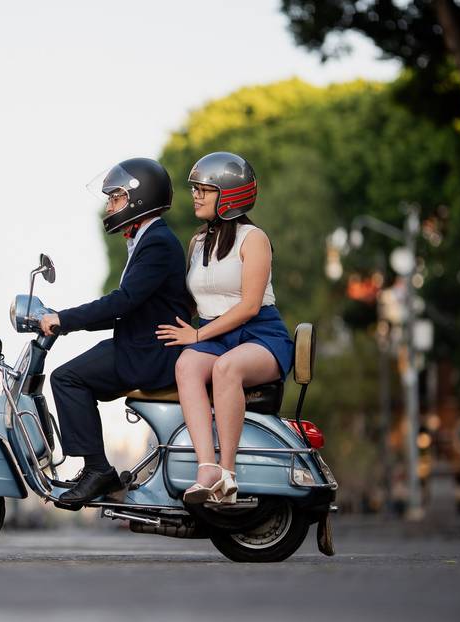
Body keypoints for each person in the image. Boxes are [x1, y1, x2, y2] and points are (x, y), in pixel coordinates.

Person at [39, 157, 191, 505]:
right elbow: (128, 307)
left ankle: (98, 471)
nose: (109, 206)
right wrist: (67, 322)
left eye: (115, 198)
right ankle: (95, 469)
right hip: (140, 343)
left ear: (139, 198)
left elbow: (122, 301)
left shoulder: (156, 243)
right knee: (71, 375)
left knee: (67, 378)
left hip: (152, 353)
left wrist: (65, 319)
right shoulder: (146, 239)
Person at [156, 152, 293, 504]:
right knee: (186, 365)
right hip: (215, 334)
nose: (196, 196)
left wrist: (198, 335)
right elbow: (192, 300)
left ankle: (227, 474)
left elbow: (249, 306)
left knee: (226, 368)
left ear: (230, 195)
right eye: (195, 189)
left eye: (205, 189)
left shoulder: (254, 238)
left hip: (260, 335)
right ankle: (207, 467)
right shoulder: (197, 242)